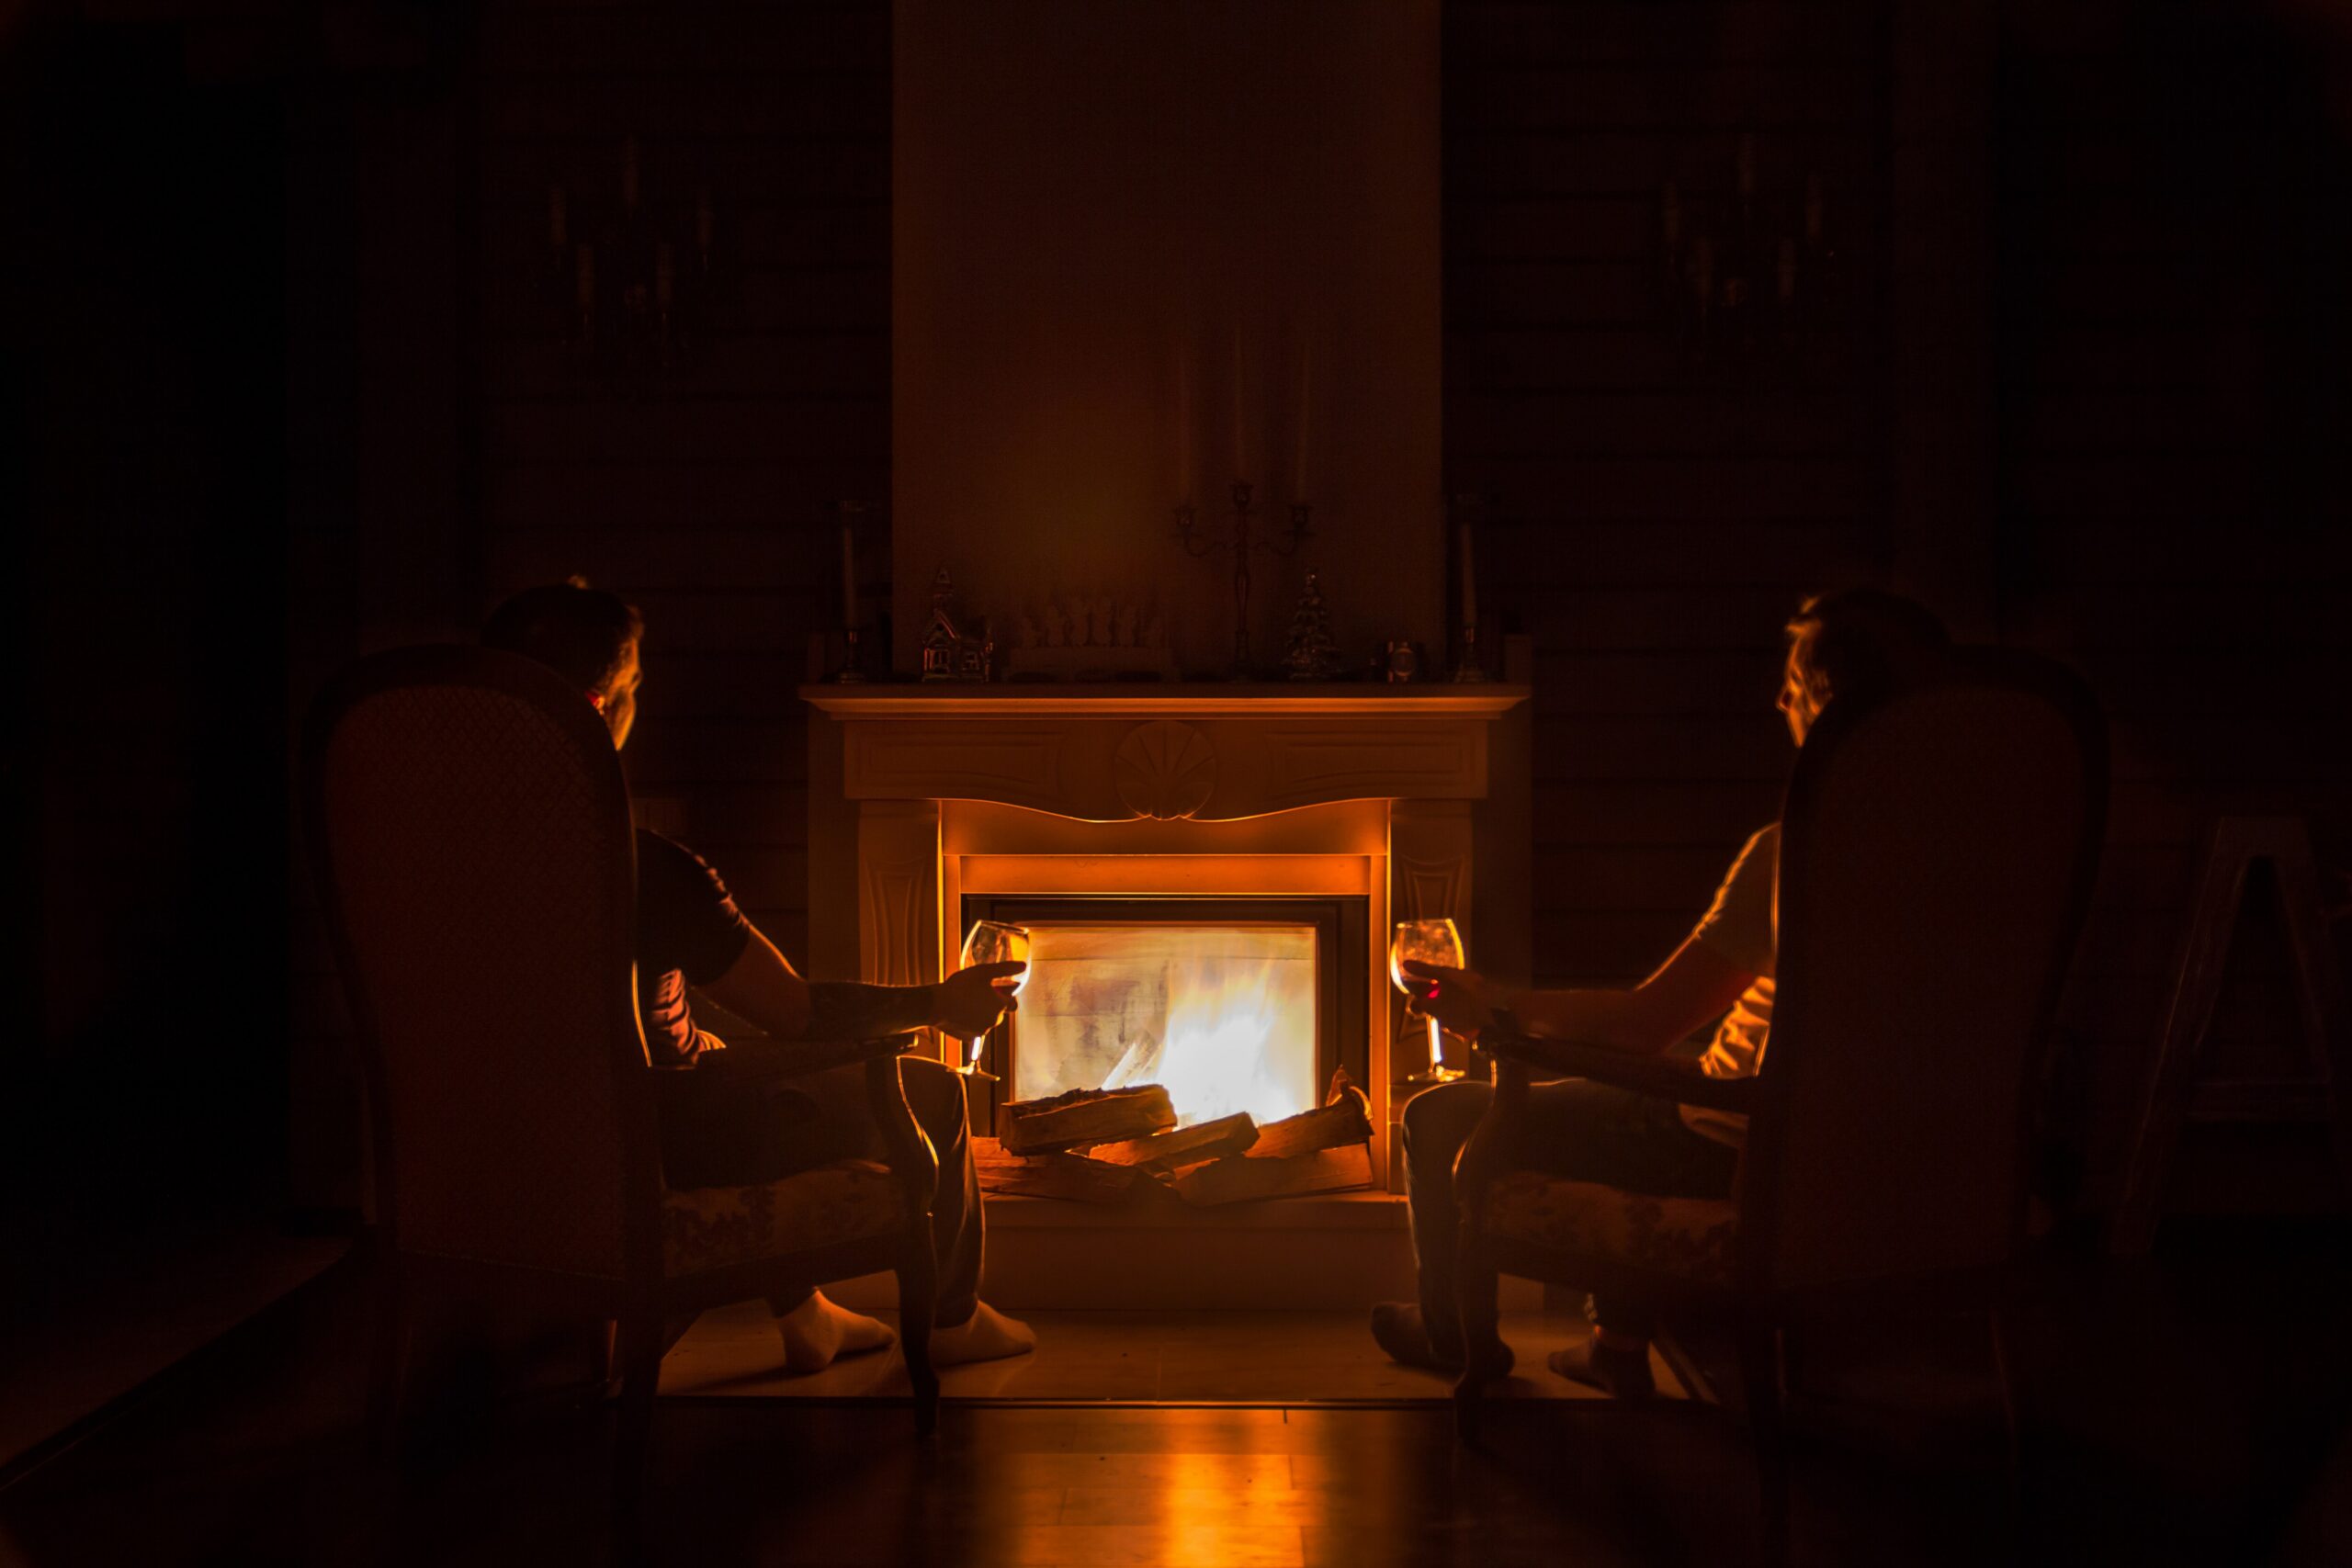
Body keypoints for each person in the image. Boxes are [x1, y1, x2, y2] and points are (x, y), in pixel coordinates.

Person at [1374, 590, 1950, 1398]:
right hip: (1903, 1161)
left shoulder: (1796, 853)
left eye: (1796, 681)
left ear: (1835, 707)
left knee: (1437, 1116)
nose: (1779, 698)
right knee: (1656, 1078)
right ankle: (1616, 1347)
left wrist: (1490, 1006)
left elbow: (1639, 1028)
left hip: (1740, 1153)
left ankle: (1451, 1335)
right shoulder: (1992, 861)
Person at [482, 578, 1036, 1371]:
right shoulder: (646, 871)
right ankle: (951, 1318)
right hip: (658, 1144)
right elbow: (799, 1016)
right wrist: (938, 1003)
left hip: (500, 1137)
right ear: (600, 705)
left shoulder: (432, 858)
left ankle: (806, 1312)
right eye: (635, 689)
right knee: (932, 1094)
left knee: (719, 1050)